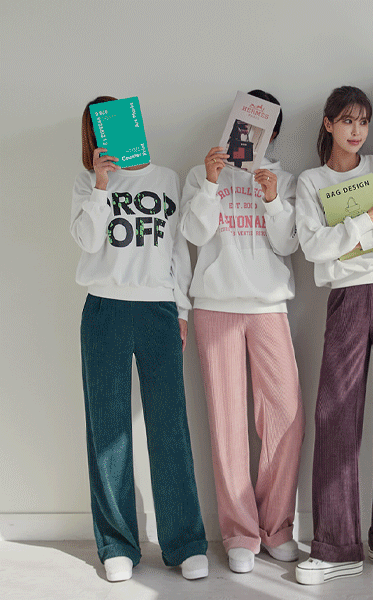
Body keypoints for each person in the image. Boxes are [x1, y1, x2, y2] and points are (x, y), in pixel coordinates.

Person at [71, 96, 208, 583]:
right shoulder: (87, 183)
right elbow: (88, 241)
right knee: (108, 428)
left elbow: (177, 250)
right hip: (104, 308)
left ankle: (185, 542)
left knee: (170, 426)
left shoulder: (166, 178)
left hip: (157, 309)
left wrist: (182, 310)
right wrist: (100, 185)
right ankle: (117, 543)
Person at [294, 86, 373, 585]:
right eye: (347, 120)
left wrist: (350, 236)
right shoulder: (311, 182)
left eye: (364, 122)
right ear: (328, 123)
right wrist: (369, 219)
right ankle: (335, 547)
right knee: (335, 416)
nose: (356, 131)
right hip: (347, 297)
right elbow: (314, 248)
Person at [180, 90, 304, 574]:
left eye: (262, 127)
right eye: (245, 124)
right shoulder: (202, 174)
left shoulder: (283, 179)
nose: (252, 134)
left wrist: (272, 200)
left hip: (268, 306)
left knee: (284, 416)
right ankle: (239, 532)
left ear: (273, 133)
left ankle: (277, 527)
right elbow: (194, 234)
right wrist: (211, 183)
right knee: (227, 422)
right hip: (216, 305)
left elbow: (289, 244)